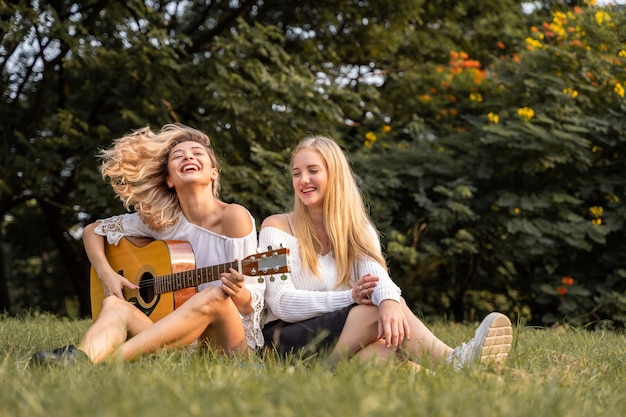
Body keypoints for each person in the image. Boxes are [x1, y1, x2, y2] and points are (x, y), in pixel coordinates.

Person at [259, 135, 513, 371]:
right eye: (296, 173)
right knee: (373, 310)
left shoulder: (358, 230)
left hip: (339, 340)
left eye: (313, 171)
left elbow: (376, 277)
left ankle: (478, 377)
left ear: (335, 175)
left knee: (383, 352)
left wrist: (390, 300)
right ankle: (456, 361)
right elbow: (281, 302)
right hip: (286, 342)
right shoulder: (276, 228)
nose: (303, 180)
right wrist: (351, 298)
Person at [32, 123, 264, 365]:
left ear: (213, 173)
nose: (188, 157)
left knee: (215, 294)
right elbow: (93, 230)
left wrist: (240, 292)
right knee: (114, 304)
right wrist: (107, 275)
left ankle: (109, 360)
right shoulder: (163, 221)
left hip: (228, 343)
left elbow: (252, 302)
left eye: (197, 153)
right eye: (178, 156)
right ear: (169, 180)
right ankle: (81, 359)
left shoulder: (234, 217)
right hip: (179, 342)